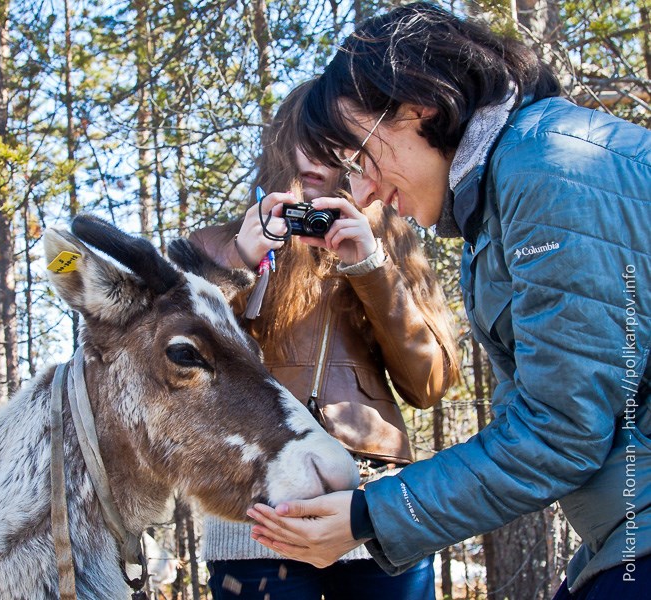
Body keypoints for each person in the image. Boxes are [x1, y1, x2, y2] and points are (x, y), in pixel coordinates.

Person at [246, 3, 651, 599]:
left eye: (359, 158)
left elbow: (561, 430)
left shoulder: (551, 170)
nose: (365, 192)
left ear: (419, 107)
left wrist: (367, 516)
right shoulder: (501, 194)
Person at [188, 80, 460, 599]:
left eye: (337, 144)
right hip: (259, 499)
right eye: (305, 137)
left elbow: (429, 385)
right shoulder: (215, 245)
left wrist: (370, 266)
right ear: (280, 141)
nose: (318, 156)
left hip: (375, 503)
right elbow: (181, 362)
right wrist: (239, 263)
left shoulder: (391, 243)